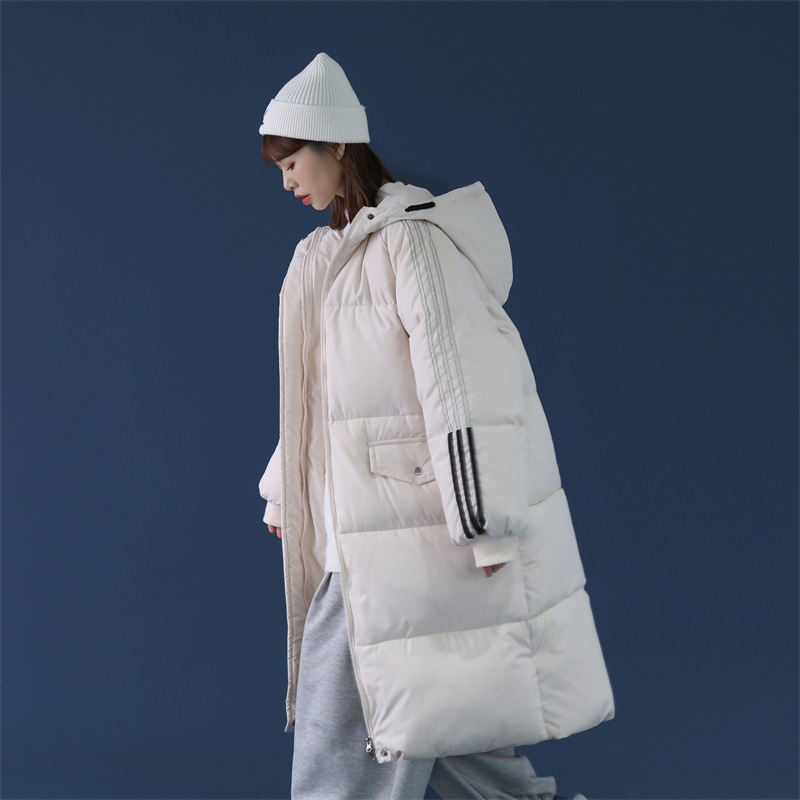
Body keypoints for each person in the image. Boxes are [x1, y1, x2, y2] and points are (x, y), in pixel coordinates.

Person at [257, 52, 615, 800]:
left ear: (336, 145)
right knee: (439, 729)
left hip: (405, 534)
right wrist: (284, 489)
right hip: (359, 527)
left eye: (292, 162)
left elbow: (462, 387)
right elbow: (317, 394)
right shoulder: (324, 258)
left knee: (350, 733)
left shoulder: (411, 244)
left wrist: (485, 524)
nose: (286, 181)